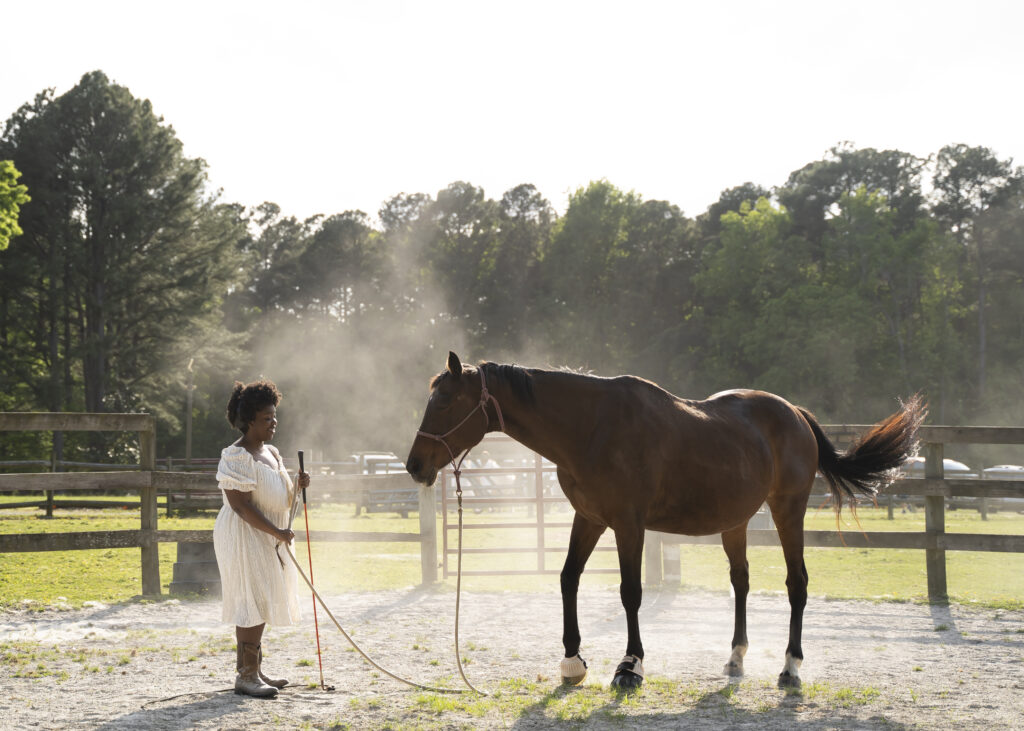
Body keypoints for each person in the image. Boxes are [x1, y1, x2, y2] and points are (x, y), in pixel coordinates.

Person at [213, 379, 310, 698]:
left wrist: (298, 486)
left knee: (264, 596)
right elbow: (240, 506)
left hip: (270, 534)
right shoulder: (236, 455)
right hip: (245, 535)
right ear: (250, 421)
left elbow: (280, 499)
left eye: (275, 416)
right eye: (267, 418)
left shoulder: (273, 453)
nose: (274, 422)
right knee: (250, 598)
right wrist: (277, 532)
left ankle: (255, 669)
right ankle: (246, 675)